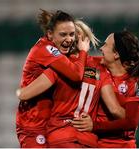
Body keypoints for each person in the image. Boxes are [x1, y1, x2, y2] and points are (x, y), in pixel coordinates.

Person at [16, 20, 125, 148]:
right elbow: (115, 110)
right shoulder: (100, 71)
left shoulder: (58, 68)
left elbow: (24, 94)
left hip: (61, 137)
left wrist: (20, 89)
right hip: (88, 140)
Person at [16, 9, 89, 148]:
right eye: (63, 35)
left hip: (50, 124)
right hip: (33, 124)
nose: (69, 39)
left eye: (72, 34)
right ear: (50, 34)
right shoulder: (46, 50)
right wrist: (84, 51)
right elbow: (76, 75)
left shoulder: (59, 55)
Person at [72, 30, 139, 148]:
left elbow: (131, 122)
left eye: (106, 45)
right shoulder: (97, 66)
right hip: (96, 144)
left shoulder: (137, 84)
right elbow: (72, 60)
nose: (101, 49)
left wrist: (94, 125)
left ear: (116, 54)